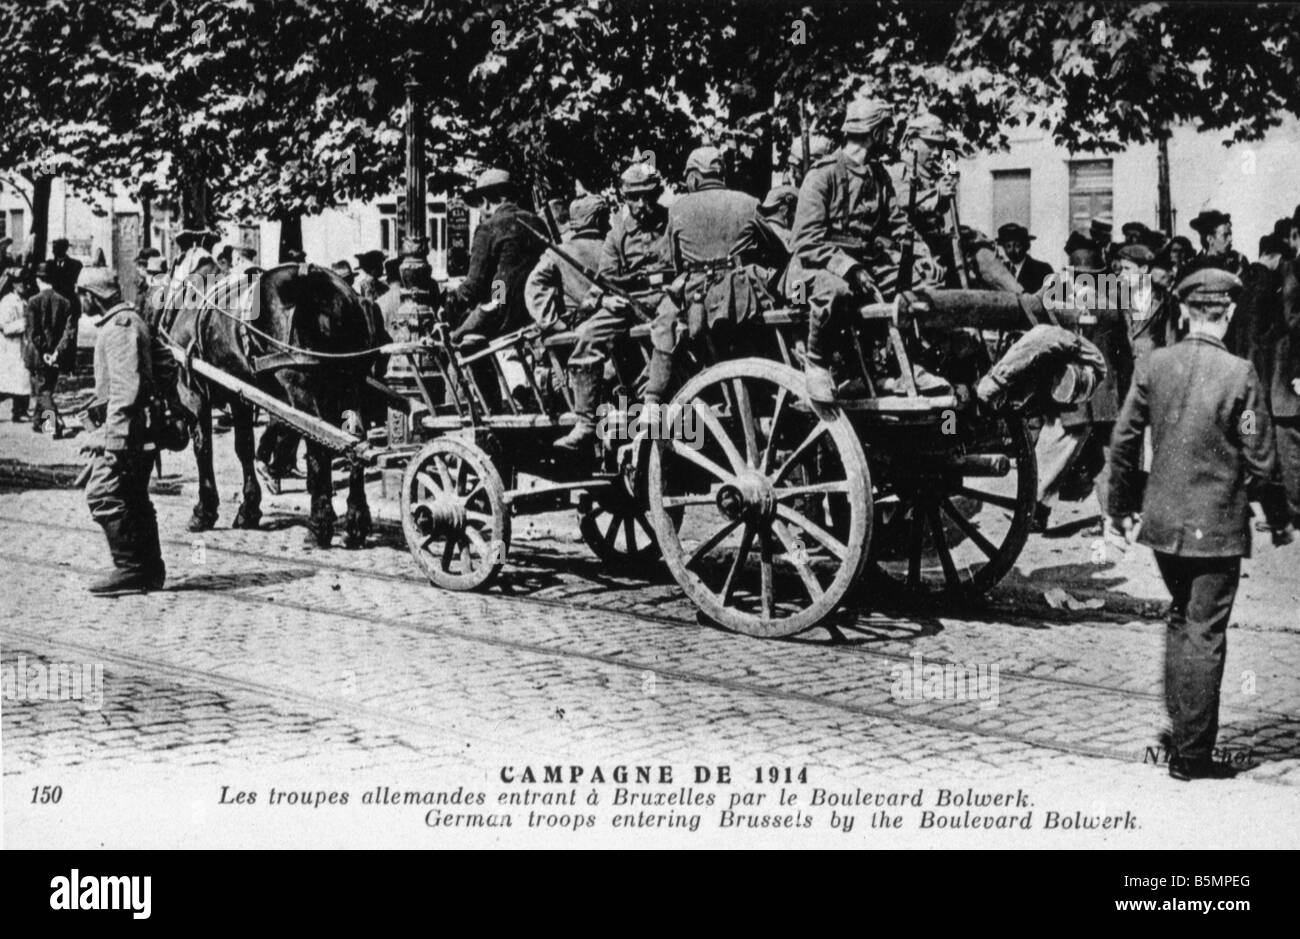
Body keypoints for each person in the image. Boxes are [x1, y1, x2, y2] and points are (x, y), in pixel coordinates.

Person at [1108, 267, 1295, 781]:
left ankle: (1180, 731)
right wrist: (1277, 517)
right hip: (1216, 527)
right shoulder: (1240, 374)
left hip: (1163, 525)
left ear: (1186, 313)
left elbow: (1124, 441)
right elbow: (1261, 456)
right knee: (1206, 632)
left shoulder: (1155, 365)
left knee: (1180, 620)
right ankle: (1192, 756)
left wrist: (1119, 507)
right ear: (1228, 314)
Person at [786, 97, 911, 403]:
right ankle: (817, 362)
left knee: (914, 287)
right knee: (838, 291)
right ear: (876, 132)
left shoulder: (879, 177)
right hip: (808, 275)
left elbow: (899, 226)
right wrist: (850, 267)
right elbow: (804, 240)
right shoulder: (822, 175)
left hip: (862, 267)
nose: (891, 137)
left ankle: (891, 367)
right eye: (887, 130)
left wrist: (919, 256)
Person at [553, 163, 671, 450]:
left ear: (657, 193)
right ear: (624, 197)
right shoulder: (616, 235)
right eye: (634, 197)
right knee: (588, 335)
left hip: (667, 297)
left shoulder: (671, 222)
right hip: (628, 302)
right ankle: (586, 421)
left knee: (669, 324)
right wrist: (605, 299)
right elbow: (603, 280)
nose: (641, 205)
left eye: (647, 196)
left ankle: (653, 401)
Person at [79, 281, 176, 595]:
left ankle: (130, 568)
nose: (80, 300)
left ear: (93, 296)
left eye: (83, 295)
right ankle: (150, 569)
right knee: (134, 496)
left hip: (128, 430)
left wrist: (115, 439)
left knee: (103, 494)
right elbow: (167, 364)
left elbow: (124, 388)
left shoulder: (120, 327)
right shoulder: (134, 321)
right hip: (141, 426)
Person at [445, 168, 545, 342]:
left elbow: (475, 286)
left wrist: (449, 303)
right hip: (538, 314)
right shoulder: (537, 223)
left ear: (486, 202)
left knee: (453, 346)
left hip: (502, 317)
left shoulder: (489, 227)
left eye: (478, 205)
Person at [525, 193, 610, 330]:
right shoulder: (612, 247)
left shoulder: (558, 253)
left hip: (578, 325)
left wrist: (551, 321)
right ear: (598, 220)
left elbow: (531, 284)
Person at [24, 262, 76, 436]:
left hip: (38, 355)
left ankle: (55, 425)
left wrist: (45, 352)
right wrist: (56, 353)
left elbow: (33, 332)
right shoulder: (65, 302)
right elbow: (68, 332)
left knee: (42, 390)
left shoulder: (33, 302)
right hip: (55, 355)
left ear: (39, 280)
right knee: (47, 387)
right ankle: (40, 422)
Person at [0, 272, 31, 421]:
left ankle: (20, 411)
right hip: (10, 347)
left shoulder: (23, 301)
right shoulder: (8, 302)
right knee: (11, 381)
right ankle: (20, 412)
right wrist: (23, 324)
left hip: (20, 345)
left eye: (25, 283)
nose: (24, 286)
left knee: (22, 380)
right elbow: (3, 326)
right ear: (13, 285)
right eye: (20, 283)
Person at [997, 223, 1054, 294]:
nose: (1012, 251)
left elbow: (1051, 301)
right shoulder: (1001, 270)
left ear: (1026, 246)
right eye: (1008, 246)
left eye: (1017, 245)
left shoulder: (1043, 270)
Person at [1186, 209, 1246, 276]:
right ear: (1210, 239)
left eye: (1230, 235)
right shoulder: (1193, 269)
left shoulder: (1238, 262)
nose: (1230, 239)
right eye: (1225, 235)